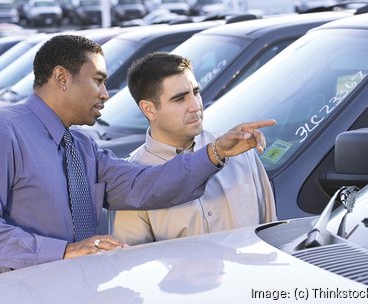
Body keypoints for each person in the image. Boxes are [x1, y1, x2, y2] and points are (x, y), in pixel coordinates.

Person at [0, 34, 276, 279]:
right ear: (62, 78)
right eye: (98, 81)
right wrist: (64, 251)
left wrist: (215, 153)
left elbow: (146, 184)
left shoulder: (82, 147)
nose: (106, 93)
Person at [112, 52, 276, 245]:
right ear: (149, 109)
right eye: (180, 99)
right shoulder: (134, 180)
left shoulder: (241, 151)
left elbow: (270, 233)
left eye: (196, 92)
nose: (195, 106)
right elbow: (134, 262)